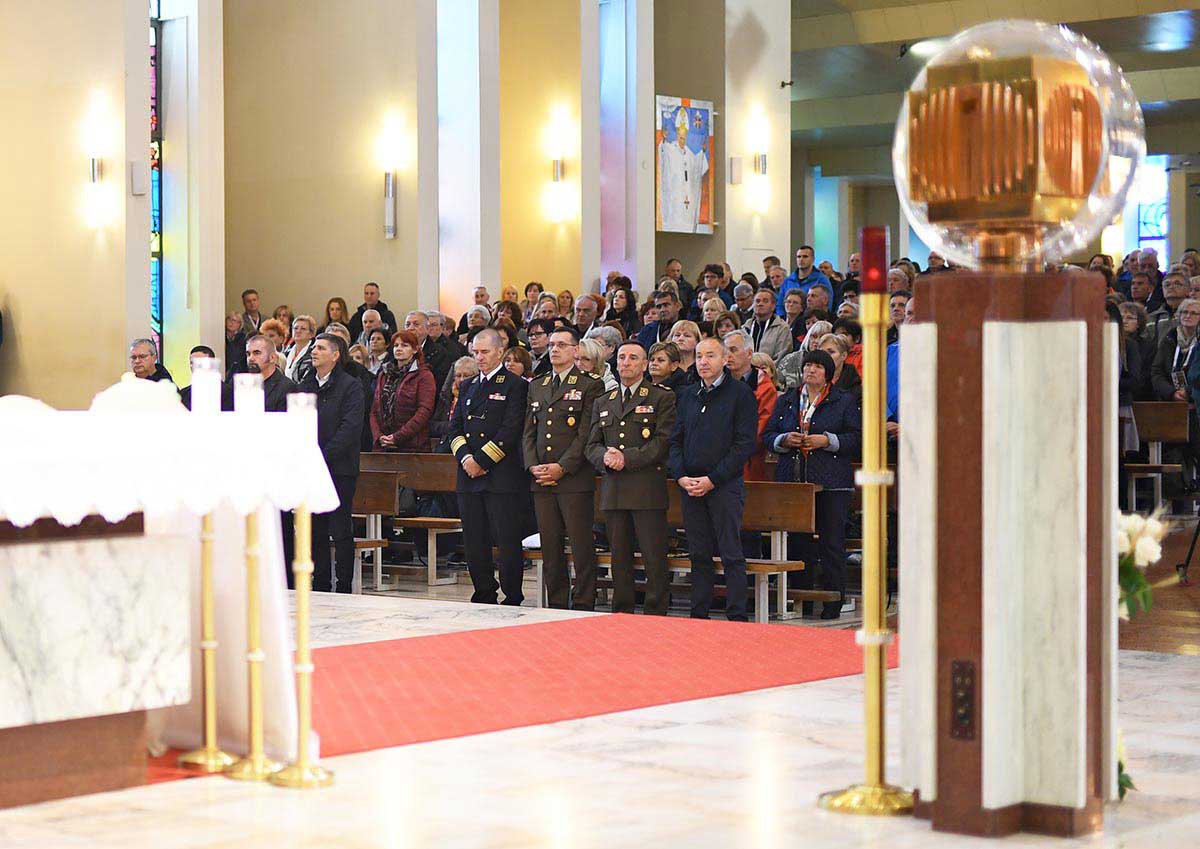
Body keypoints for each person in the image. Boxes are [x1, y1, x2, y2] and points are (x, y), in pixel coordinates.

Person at [762, 349, 860, 619]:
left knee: (831, 542)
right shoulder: (788, 399)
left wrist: (827, 440)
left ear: (827, 373)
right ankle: (799, 599)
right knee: (797, 542)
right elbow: (767, 435)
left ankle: (833, 601)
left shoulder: (844, 400)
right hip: (794, 482)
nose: (810, 371)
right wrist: (784, 440)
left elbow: (857, 438)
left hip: (831, 484)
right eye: (807, 366)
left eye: (817, 366)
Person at [668, 337, 758, 621]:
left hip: (724, 485)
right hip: (690, 485)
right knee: (698, 553)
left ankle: (737, 616)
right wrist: (681, 476)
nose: (703, 362)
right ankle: (699, 614)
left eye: (710, 356)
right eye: (699, 356)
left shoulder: (741, 394)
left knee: (731, 552)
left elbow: (743, 445)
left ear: (724, 360)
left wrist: (713, 479)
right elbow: (675, 441)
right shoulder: (688, 395)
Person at [585, 340, 677, 614]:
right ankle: (622, 610)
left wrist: (627, 457)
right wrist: (604, 457)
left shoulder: (661, 397)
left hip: (646, 488)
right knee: (619, 557)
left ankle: (655, 610)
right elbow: (591, 445)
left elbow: (662, 442)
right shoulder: (605, 400)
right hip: (614, 489)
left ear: (645, 365)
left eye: (633, 358)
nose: (625, 362)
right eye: (622, 357)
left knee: (653, 556)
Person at [522, 327, 605, 610]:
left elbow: (586, 434)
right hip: (542, 478)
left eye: (561, 345)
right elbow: (529, 432)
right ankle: (556, 603)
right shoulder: (538, 384)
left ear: (575, 350)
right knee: (551, 545)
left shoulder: (589, 384)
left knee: (581, 546)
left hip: (572, 478)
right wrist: (533, 466)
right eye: (552, 344)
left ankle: (583, 603)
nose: (555, 349)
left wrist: (562, 467)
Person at [448, 328, 531, 605]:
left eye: (485, 352)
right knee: (474, 539)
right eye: (475, 352)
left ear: (499, 352)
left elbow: (510, 430)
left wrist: (481, 461)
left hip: (500, 476)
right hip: (468, 476)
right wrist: (466, 460)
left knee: (506, 540)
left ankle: (512, 594)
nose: (479, 357)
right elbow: (455, 429)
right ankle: (483, 590)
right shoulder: (469, 385)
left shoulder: (515, 385)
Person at [299, 333, 365, 593]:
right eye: (314, 347)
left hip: (340, 468)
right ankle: (321, 582)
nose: (314, 351)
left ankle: (344, 585)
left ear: (336, 355)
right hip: (311, 468)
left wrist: (323, 456)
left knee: (340, 528)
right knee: (315, 529)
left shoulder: (351, 386)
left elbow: (350, 428)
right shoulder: (305, 386)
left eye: (321, 348)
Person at [371, 330, 436, 452]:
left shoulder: (424, 375)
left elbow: (424, 411)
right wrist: (378, 436)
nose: (399, 349)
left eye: (404, 345)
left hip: (412, 446)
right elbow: (375, 409)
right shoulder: (384, 374)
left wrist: (398, 437)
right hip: (383, 444)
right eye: (396, 345)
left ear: (415, 349)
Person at [725, 332, 775, 482]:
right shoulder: (716, 383)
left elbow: (760, 430)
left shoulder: (764, 387)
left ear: (749, 353)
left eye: (733, 350)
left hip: (747, 464)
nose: (727, 355)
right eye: (725, 350)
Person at [658, 106, 709, 233]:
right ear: (677, 136)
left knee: (686, 216)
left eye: (684, 139)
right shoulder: (670, 149)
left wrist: (702, 152)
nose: (682, 141)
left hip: (687, 197)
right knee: (675, 215)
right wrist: (664, 139)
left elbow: (697, 166)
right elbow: (663, 153)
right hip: (674, 195)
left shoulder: (689, 153)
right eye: (680, 138)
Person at [430, 356, 480, 442]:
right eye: (458, 375)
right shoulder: (446, 396)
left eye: (466, 375)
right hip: (447, 442)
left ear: (476, 376)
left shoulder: (480, 396)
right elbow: (433, 425)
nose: (461, 379)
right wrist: (454, 426)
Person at [244, 334, 297, 412]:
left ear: (272, 358)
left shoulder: (287, 388)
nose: (250, 358)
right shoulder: (245, 385)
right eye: (248, 354)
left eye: (257, 353)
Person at [778, 246, 832, 316]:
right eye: (799, 257)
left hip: (811, 320)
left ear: (813, 259)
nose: (801, 259)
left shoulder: (822, 279)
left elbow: (828, 304)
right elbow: (779, 304)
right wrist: (782, 318)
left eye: (805, 256)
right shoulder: (788, 280)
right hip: (789, 321)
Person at [743, 288, 792, 362]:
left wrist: (763, 371)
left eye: (765, 301)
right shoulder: (746, 327)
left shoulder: (782, 328)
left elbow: (781, 358)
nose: (760, 304)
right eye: (757, 301)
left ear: (773, 306)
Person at [179, 345, 229, 410]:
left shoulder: (227, 393)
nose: (195, 366)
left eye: (200, 363)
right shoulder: (183, 394)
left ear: (212, 364)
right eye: (192, 363)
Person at [817, 333, 862, 402]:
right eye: (822, 352)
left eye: (831, 352)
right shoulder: (812, 381)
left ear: (843, 356)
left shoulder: (854, 387)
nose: (825, 356)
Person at [285, 315, 316, 384]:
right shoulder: (286, 351)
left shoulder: (313, 353)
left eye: (303, 329)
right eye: (295, 328)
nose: (298, 331)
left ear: (311, 334)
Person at [224, 312, 247, 378]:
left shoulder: (243, 338)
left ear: (240, 325)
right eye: (230, 319)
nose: (231, 323)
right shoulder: (220, 335)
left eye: (235, 321)